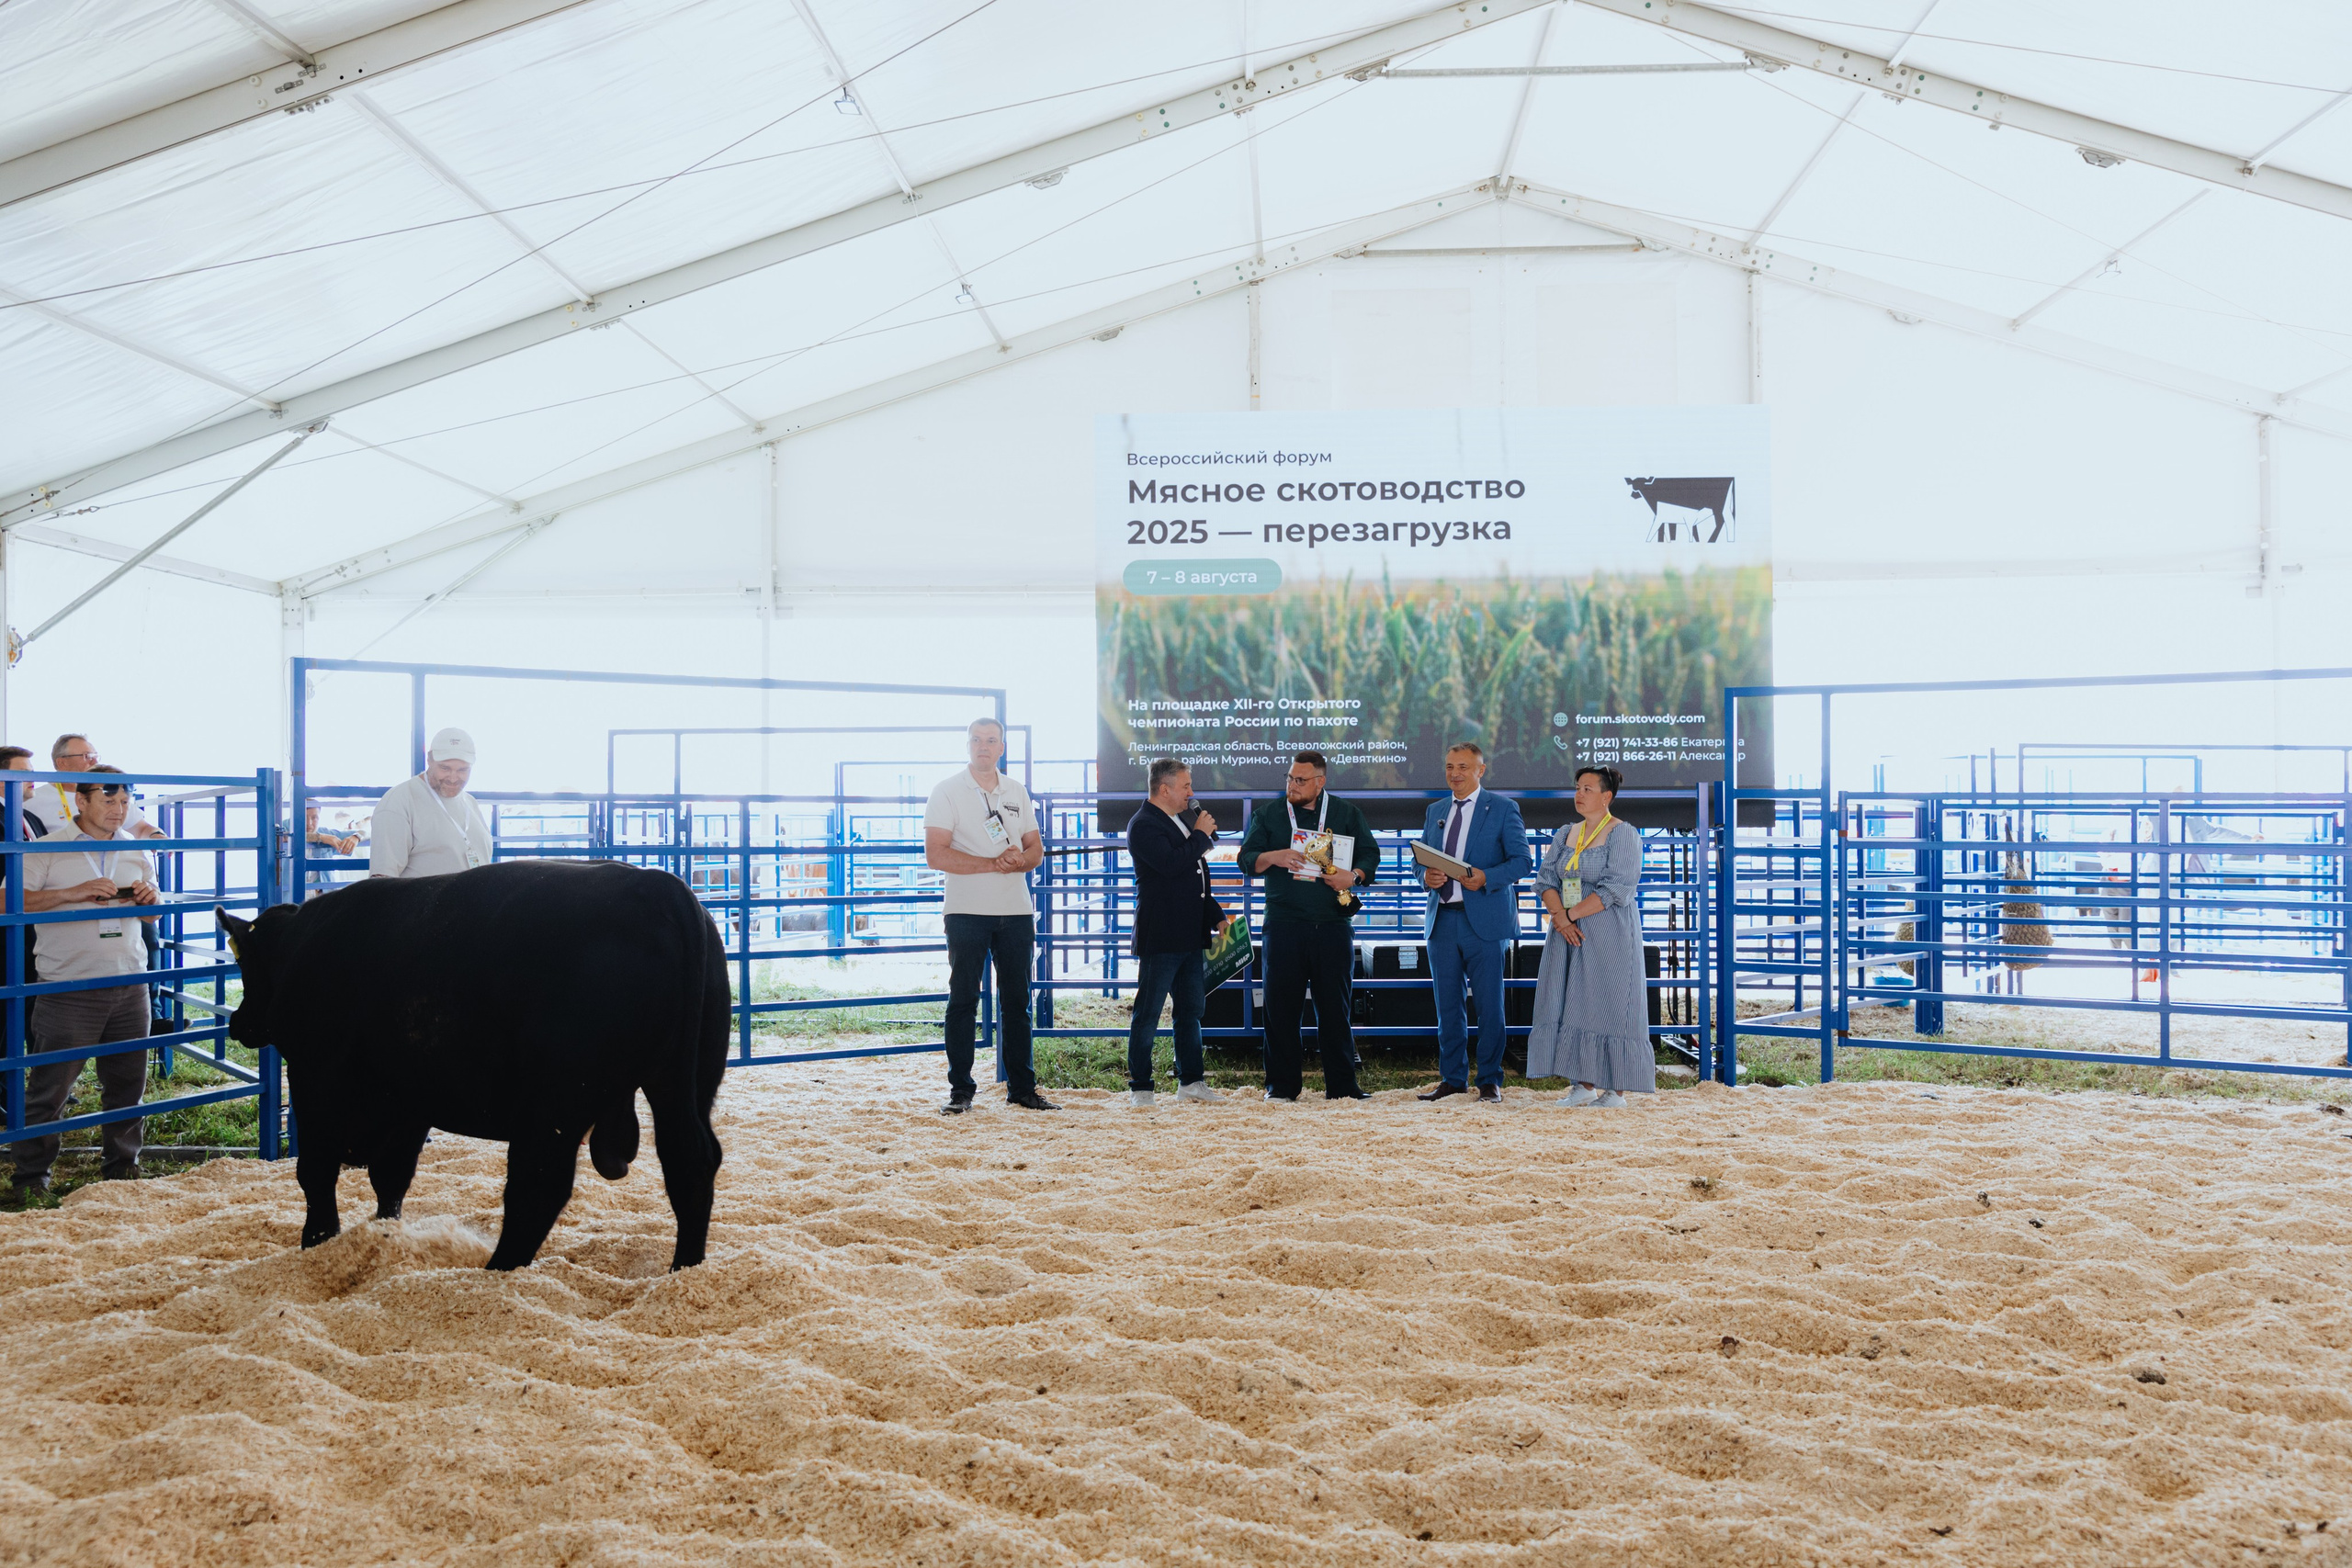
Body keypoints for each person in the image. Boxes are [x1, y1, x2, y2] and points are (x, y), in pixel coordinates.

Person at [9, 766, 161, 1197]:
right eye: (109, 800)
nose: (119, 810)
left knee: (128, 1085)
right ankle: (30, 1180)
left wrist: (151, 900)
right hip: (67, 987)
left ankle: (122, 1171)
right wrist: (71, 893)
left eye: (125, 801)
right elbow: (7, 901)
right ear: (82, 801)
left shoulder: (135, 848)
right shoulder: (45, 849)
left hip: (131, 983)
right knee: (50, 1089)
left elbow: (149, 911)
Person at [923, 717, 1057, 1114]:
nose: (984, 746)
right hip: (965, 911)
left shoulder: (1016, 791)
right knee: (963, 999)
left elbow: (1036, 848)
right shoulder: (946, 791)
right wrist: (992, 863)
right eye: (977, 740)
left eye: (991, 740)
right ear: (967, 745)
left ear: (1002, 746)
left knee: (1017, 1002)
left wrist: (1018, 863)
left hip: (1015, 910)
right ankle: (961, 1091)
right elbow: (936, 854)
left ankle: (1021, 1088)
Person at [1234, 750, 1376, 1102]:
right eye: (1289, 778)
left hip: (1333, 925)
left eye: (1300, 780)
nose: (1292, 786)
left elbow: (1370, 855)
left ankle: (1343, 1088)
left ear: (1320, 782)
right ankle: (1281, 1088)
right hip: (1284, 926)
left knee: (1335, 1011)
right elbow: (1245, 859)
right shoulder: (1268, 815)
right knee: (1280, 1010)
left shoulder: (1346, 813)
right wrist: (1274, 856)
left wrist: (1352, 875)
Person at [1527, 765, 1653, 1107]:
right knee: (1572, 1004)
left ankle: (1616, 1090)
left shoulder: (1624, 834)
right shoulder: (1566, 832)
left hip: (1607, 932)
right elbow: (1545, 879)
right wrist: (1561, 919)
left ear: (1606, 796)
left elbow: (1617, 887)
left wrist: (1569, 916)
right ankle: (1582, 1084)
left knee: (1609, 1003)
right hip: (1567, 932)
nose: (1579, 794)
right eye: (1577, 788)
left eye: (1587, 789)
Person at [1416, 742, 1531, 1104]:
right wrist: (1426, 877)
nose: (1455, 774)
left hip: (1485, 921)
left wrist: (1486, 877)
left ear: (1482, 770)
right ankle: (1451, 1079)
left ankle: (1490, 1081)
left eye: (1464, 767)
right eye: (1450, 767)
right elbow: (1422, 861)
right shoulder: (1435, 809)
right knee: (1447, 1007)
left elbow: (1522, 862)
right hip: (1442, 922)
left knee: (1490, 1005)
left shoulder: (1503, 808)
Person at [1123, 758, 1231, 1110]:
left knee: (1191, 1011)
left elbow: (1195, 878)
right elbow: (1171, 866)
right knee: (1148, 1012)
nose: (1191, 792)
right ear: (1164, 789)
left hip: (1190, 933)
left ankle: (1191, 1081)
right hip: (1162, 935)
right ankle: (1141, 1087)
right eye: (1186, 786)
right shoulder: (1143, 825)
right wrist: (1200, 834)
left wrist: (1216, 915)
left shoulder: (1179, 821)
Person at [368, 728, 492, 880]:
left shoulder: (470, 803)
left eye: (463, 770)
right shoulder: (398, 802)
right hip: (424, 904)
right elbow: (382, 882)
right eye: (445, 768)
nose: (453, 778)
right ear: (429, 760)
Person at [28, 736, 161, 840]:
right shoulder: (33, 801)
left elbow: (142, 829)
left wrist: (156, 835)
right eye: (87, 757)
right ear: (62, 763)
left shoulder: (110, 795)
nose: (95, 762)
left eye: (95, 756)